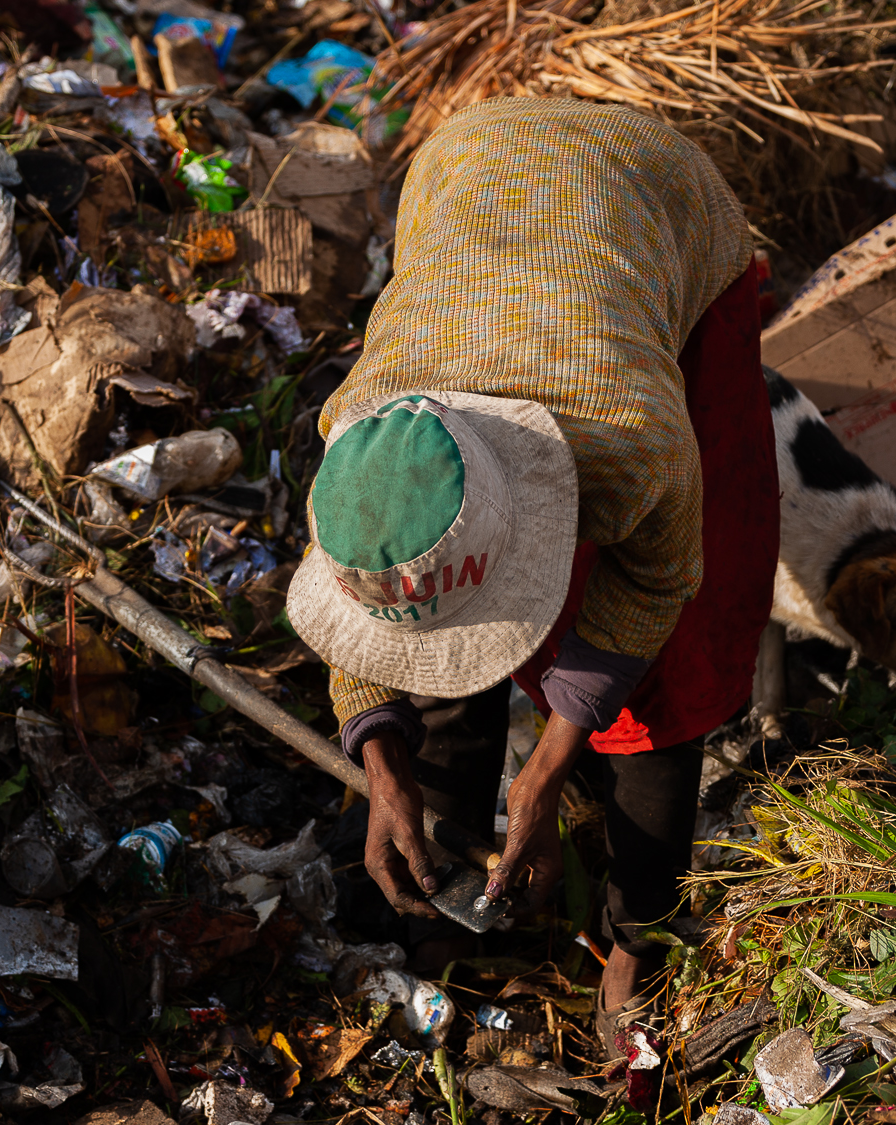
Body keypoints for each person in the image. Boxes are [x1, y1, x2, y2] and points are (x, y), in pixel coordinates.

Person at [284, 96, 778, 1048]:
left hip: (648, 197)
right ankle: (452, 862)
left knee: (667, 677)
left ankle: (636, 935)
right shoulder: (360, 440)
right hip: (472, 167)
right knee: (436, 635)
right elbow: (373, 620)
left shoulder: (630, 438)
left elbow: (656, 585)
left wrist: (549, 770)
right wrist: (383, 767)